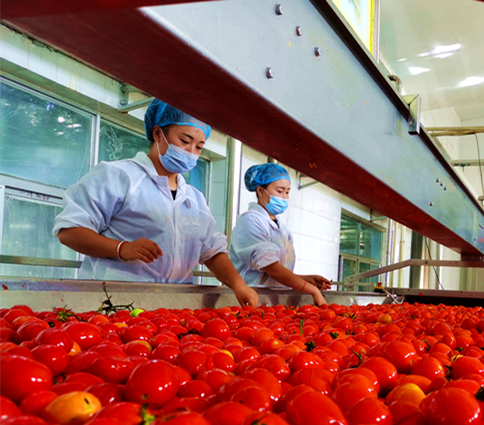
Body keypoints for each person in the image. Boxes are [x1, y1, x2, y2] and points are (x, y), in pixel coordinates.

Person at [53, 99, 258, 307]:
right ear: (158, 133)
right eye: (185, 141)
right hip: (116, 304)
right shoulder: (118, 176)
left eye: (199, 147)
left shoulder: (194, 199)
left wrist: (238, 284)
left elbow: (212, 252)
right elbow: (69, 230)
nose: (191, 152)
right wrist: (121, 248)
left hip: (174, 308)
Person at [229, 163, 331, 306]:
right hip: (251, 300)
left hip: (275, 303)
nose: (284, 197)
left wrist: (307, 279)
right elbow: (272, 268)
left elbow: (276, 272)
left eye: (287, 192)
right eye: (279, 191)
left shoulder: (283, 230)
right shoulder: (249, 221)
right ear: (260, 190)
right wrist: (312, 290)